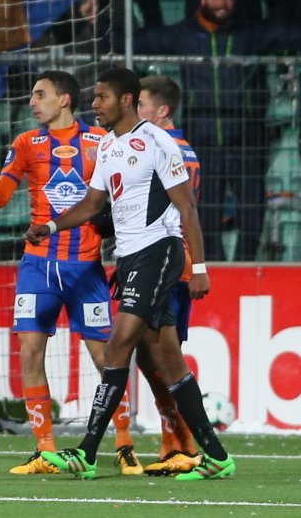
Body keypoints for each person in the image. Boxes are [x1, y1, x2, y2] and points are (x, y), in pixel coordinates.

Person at [28, 67, 234, 481]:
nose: (94, 104)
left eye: (101, 97)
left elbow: (186, 208)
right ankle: (217, 457)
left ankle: (87, 453)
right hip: (129, 258)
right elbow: (90, 205)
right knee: (167, 360)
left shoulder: (157, 142)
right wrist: (50, 227)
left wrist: (200, 268)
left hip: (158, 252)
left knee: (118, 346)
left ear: (125, 100)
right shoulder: (107, 146)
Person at [0, 70, 142, 476]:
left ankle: (123, 443)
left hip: (86, 267)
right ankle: (44, 449)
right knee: (30, 352)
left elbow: (122, 199)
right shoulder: (26, 143)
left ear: (64, 99)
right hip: (37, 266)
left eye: (40, 95)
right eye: (32, 95)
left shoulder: (100, 143)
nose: (32, 102)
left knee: (107, 358)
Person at [124, 0, 301, 260]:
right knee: (206, 216)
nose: (222, 3)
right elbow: (132, 41)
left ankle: (246, 269)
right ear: (202, 0)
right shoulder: (183, 34)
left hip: (246, 140)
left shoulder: (250, 34)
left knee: (252, 215)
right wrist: (97, 22)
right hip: (203, 143)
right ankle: (214, 273)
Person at [135, 75, 202, 475]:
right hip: (171, 260)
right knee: (149, 353)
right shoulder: (183, 148)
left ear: (162, 111)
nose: (136, 111)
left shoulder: (165, 148)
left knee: (163, 353)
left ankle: (182, 441)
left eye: (141, 104)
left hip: (168, 262)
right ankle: (175, 437)